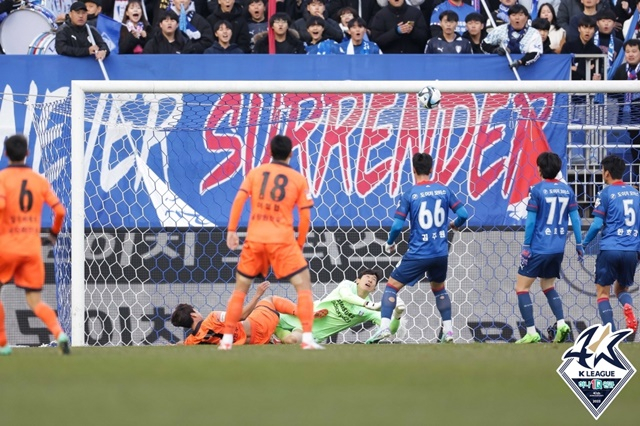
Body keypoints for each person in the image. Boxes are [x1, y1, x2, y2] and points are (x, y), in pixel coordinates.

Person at [219, 134, 322, 350]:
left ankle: (227, 340)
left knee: (240, 290)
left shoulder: (255, 173)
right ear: (291, 154)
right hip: (282, 241)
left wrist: (231, 231)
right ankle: (308, 339)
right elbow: (305, 216)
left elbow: (239, 199)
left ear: (270, 152)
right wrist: (300, 244)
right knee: (303, 287)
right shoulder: (297, 178)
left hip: (255, 239)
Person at [366, 153, 469, 344]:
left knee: (391, 287)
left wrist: (390, 242)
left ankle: (384, 329)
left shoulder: (411, 194)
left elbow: (397, 226)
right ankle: (448, 331)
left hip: (419, 252)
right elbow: (464, 213)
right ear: (431, 169)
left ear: (413, 170)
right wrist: (454, 225)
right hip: (440, 252)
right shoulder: (444, 190)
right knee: (439, 289)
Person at [0, 135, 68, 356]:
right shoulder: (39, 181)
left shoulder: (2, 179)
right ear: (27, 154)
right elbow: (59, 211)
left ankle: (3, 345)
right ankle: (59, 334)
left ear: (6, 154)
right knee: (35, 301)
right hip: (31, 248)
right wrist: (54, 234)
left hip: (6, 247)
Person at [514, 152, 583, 344]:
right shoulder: (567, 190)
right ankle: (561, 324)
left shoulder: (537, 190)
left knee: (521, 288)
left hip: (538, 247)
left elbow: (531, 222)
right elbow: (575, 219)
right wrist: (579, 243)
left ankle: (530, 332)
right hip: (557, 248)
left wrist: (526, 246)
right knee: (548, 285)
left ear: (540, 169)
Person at [582, 155, 638, 334]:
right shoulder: (636, 193)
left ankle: (611, 333)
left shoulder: (605, 193)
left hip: (610, 247)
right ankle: (628, 306)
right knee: (621, 288)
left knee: (603, 292)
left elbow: (597, 224)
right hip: (632, 249)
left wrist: (583, 244)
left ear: (606, 173)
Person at [171, 281, 327, 345]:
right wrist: (257, 295)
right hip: (257, 324)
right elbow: (241, 316)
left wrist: (174, 345)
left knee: (289, 338)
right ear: (193, 315)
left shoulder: (193, 340)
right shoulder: (212, 318)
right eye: (196, 310)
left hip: (256, 342)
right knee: (270, 299)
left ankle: (293, 335)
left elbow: (181, 344)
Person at [275, 269, 407, 344]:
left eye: (373, 280)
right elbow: (346, 296)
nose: (370, 280)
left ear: (374, 289)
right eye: (367, 277)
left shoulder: (369, 311)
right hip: (296, 316)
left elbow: (389, 330)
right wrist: (370, 304)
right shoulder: (347, 285)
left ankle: (275, 340)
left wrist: (397, 315)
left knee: (291, 340)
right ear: (357, 280)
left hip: (309, 333)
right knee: (268, 320)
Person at [611, 39, 640, 183]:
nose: (631, 55)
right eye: (628, 52)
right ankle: (636, 181)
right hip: (628, 117)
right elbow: (612, 93)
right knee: (635, 151)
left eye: (634, 51)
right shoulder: (621, 70)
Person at [481, 4, 543, 70]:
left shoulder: (534, 33)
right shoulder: (500, 30)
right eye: (513, 15)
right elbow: (484, 44)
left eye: (520, 15)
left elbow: (535, 52)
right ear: (509, 17)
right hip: (502, 69)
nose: (517, 18)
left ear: (526, 17)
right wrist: (495, 50)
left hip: (526, 70)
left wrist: (520, 62)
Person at [561, 16, 603, 81]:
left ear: (594, 30)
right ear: (579, 29)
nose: (587, 31)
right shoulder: (568, 46)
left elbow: (594, 76)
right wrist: (586, 70)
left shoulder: (597, 51)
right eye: (584, 27)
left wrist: (576, 69)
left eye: (590, 28)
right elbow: (564, 70)